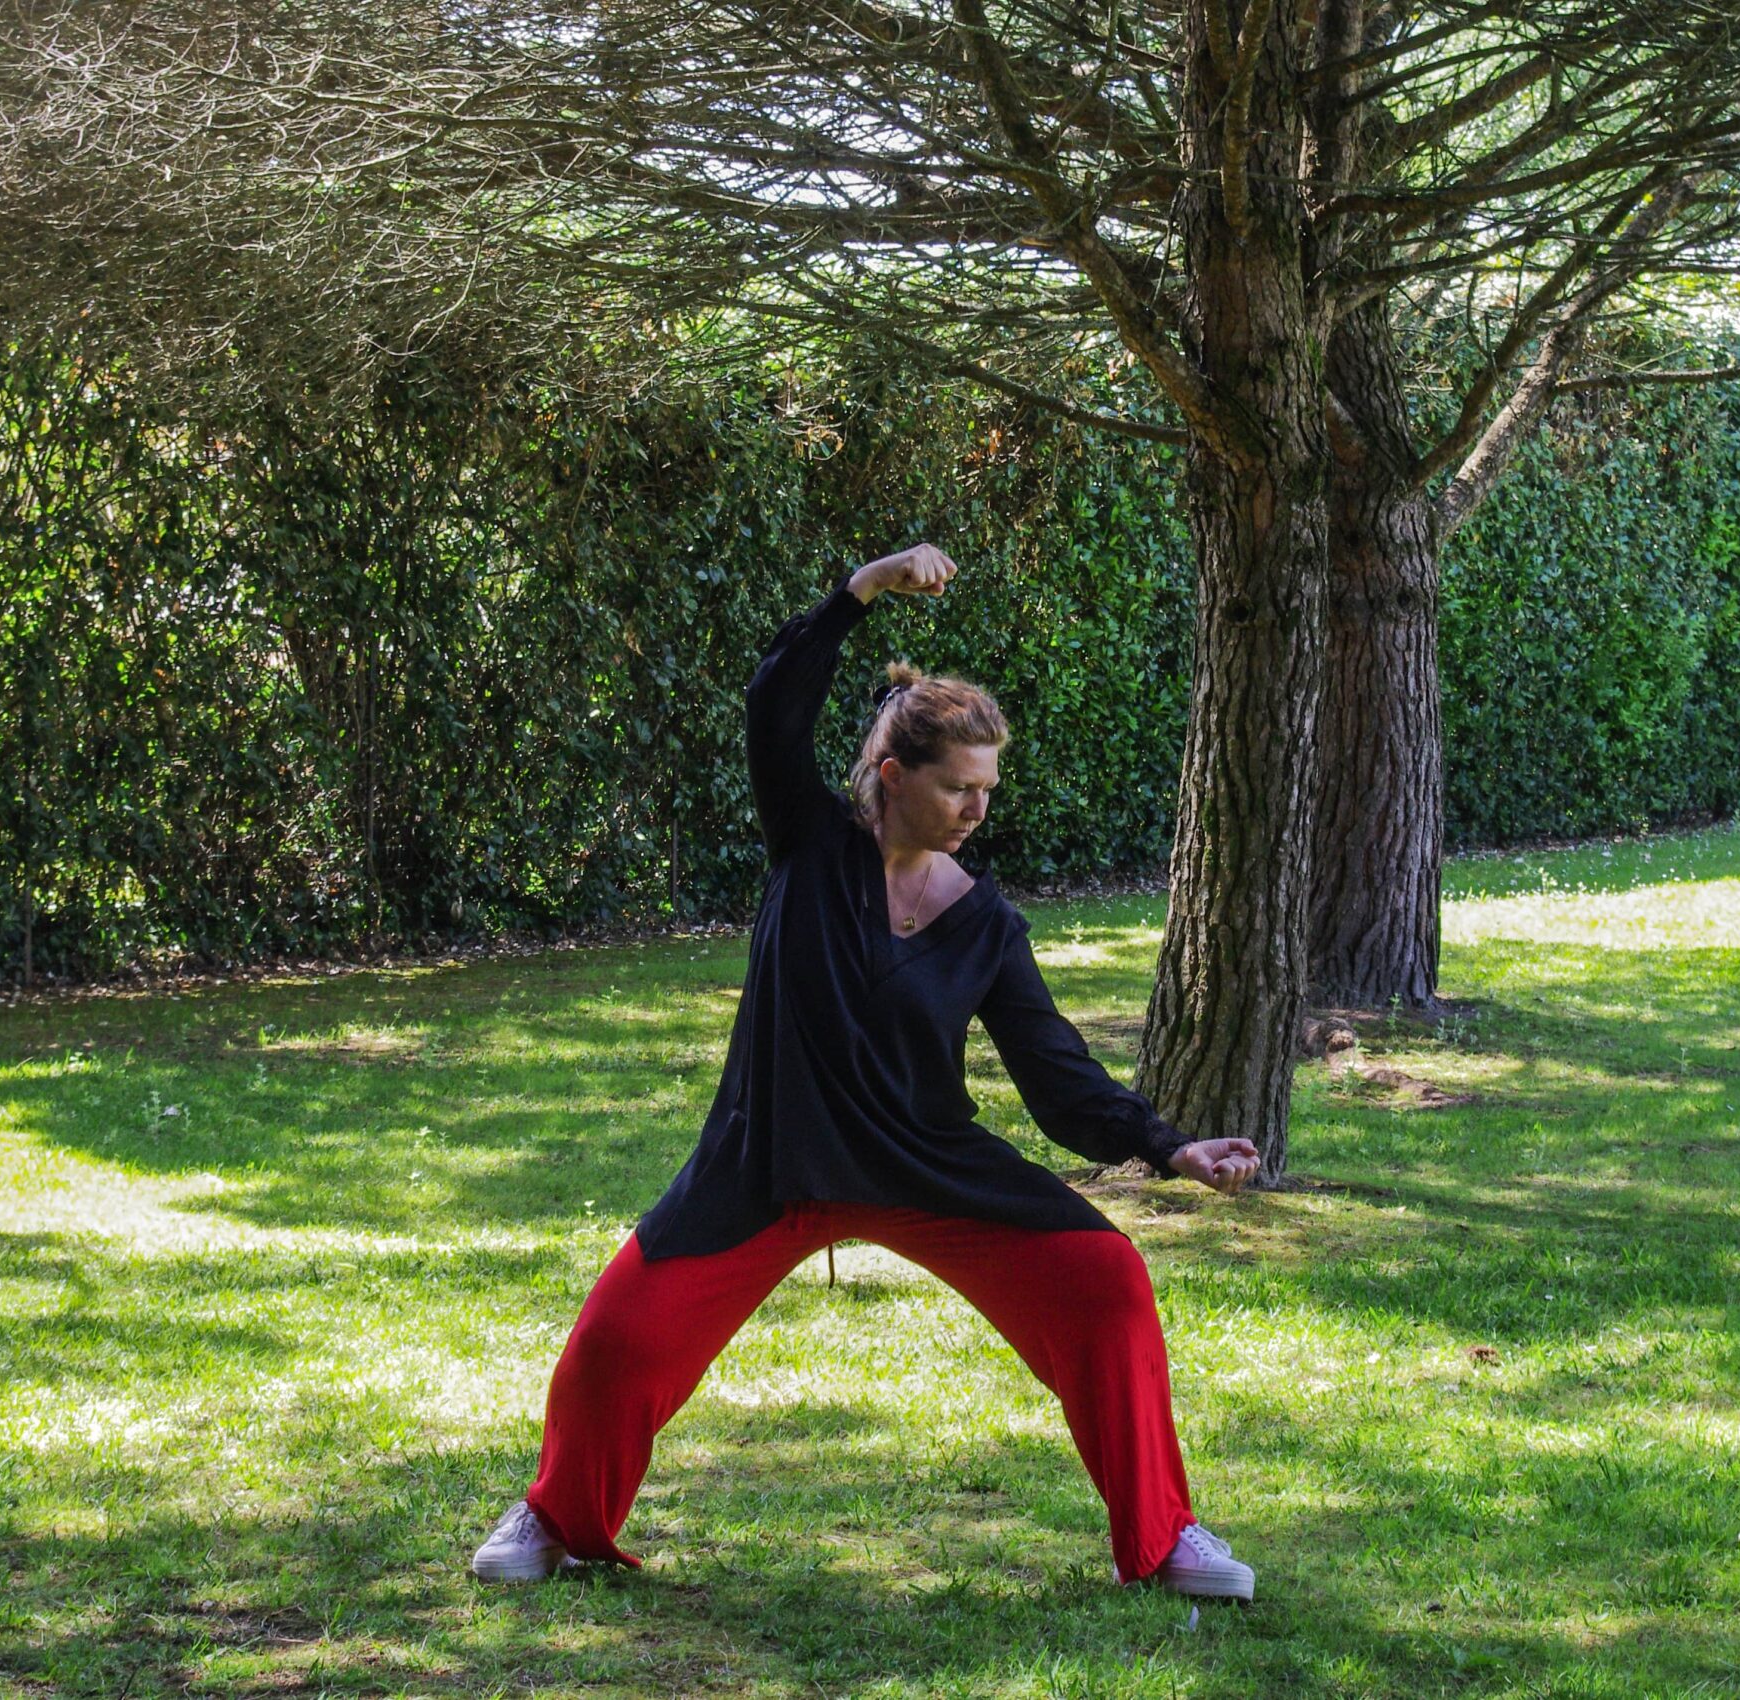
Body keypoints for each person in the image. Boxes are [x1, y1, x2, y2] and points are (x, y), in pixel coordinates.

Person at [470, 543, 1265, 1599]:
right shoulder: (809, 845)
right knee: (615, 1344)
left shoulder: (984, 922)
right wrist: (857, 593)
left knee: (1103, 1281)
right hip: (769, 1161)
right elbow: (772, 708)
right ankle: (556, 1516)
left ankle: (1164, 1537)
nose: (979, 809)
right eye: (957, 786)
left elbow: (1055, 1075)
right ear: (892, 777)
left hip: (924, 1162)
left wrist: (1168, 1143)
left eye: (988, 787)